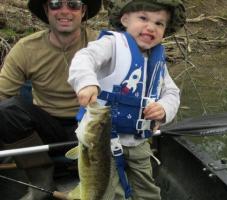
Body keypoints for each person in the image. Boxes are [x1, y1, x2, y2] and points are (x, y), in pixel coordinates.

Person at [68, 0, 186, 199]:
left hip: (139, 142)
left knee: (147, 192)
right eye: (143, 18)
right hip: (102, 142)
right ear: (125, 20)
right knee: (105, 191)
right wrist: (86, 82)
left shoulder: (157, 61)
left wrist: (164, 109)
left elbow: (172, 93)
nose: (151, 27)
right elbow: (84, 58)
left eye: (159, 23)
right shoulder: (112, 45)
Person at [0, 0, 101, 199]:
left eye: (73, 4)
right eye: (55, 4)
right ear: (47, 10)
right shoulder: (25, 48)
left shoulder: (101, 44)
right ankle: (41, 180)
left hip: (92, 123)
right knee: (6, 110)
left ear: (83, 11)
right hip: (46, 127)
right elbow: (2, 93)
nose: (64, 11)